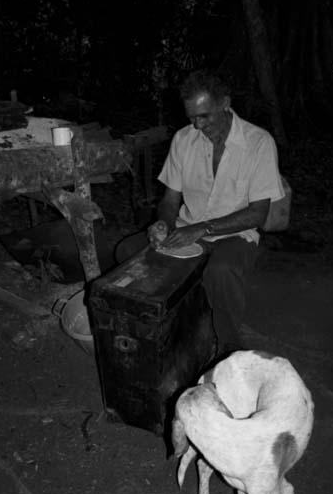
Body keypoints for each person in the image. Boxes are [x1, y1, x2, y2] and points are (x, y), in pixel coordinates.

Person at [115, 69, 285, 357]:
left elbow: (257, 214)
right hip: (187, 228)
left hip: (235, 234)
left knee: (221, 271)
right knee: (127, 251)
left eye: (204, 116)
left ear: (225, 104)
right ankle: (165, 326)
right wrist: (163, 223)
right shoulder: (184, 140)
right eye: (191, 117)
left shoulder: (259, 143)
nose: (196, 125)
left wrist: (201, 229)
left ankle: (229, 346)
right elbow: (170, 199)